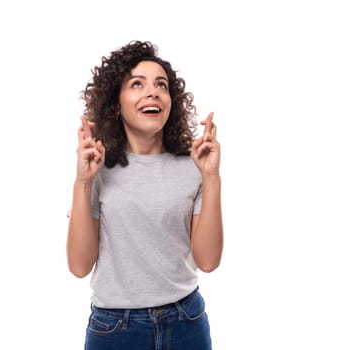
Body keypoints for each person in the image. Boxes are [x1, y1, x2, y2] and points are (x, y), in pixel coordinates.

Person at [67, 40, 223, 350]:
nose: (152, 91)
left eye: (160, 85)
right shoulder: (98, 168)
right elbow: (79, 266)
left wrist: (211, 177)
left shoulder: (192, 166)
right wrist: (83, 182)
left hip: (186, 322)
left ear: (170, 101)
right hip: (115, 329)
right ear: (117, 103)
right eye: (137, 84)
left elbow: (208, 261)